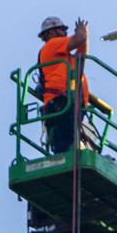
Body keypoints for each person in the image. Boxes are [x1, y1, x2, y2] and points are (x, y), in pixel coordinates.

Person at [36, 16, 89, 155]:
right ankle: (63, 158)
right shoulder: (52, 45)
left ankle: (65, 157)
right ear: (51, 33)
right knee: (65, 141)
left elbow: (81, 57)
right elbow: (78, 40)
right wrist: (82, 33)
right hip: (60, 101)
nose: (64, 33)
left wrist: (84, 37)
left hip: (70, 103)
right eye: (61, 30)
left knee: (67, 137)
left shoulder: (65, 58)